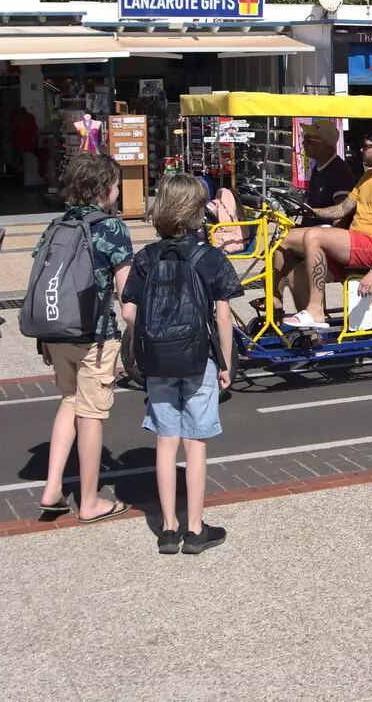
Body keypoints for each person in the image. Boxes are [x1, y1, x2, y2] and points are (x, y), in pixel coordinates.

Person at [121, 174, 241, 555]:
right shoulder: (210, 257)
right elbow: (223, 316)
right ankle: (195, 528)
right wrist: (225, 364)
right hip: (198, 357)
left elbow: (128, 309)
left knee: (165, 438)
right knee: (195, 442)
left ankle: (168, 529)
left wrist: (148, 340)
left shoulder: (146, 257)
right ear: (196, 213)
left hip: (158, 359)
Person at [34, 153, 133, 523]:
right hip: (95, 334)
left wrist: (43, 336)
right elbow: (127, 297)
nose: (119, 190)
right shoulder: (111, 228)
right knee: (91, 414)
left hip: (56, 331)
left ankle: (52, 487)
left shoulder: (56, 226)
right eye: (116, 184)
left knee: (68, 401)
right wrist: (136, 336)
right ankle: (89, 501)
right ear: (105, 189)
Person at [280, 131, 372, 330]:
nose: (361, 150)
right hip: (355, 243)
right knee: (290, 257)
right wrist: (312, 211)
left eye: (366, 147)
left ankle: (316, 312)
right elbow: (342, 208)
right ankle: (306, 332)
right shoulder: (368, 176)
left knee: (313, 235)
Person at [299, 119, 354, 223]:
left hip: (321, 233)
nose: (303, 143)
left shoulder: (339, 171)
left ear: (326, 144)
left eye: (309, 140)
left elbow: (341, 216)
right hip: (311, 230)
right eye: (304, 138)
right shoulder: (318, 167)